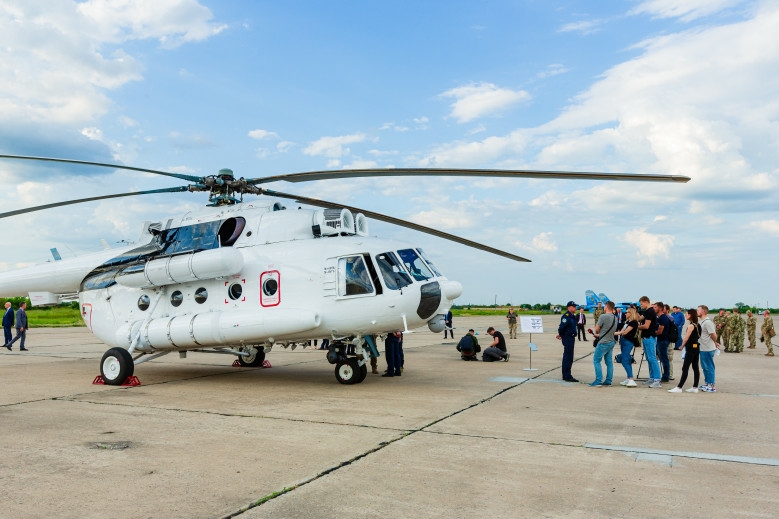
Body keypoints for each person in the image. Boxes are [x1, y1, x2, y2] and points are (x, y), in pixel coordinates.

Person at [668, 308, 701, 393]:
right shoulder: (698, 325)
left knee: (685, 367)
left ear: (691, 315)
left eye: (687, 314)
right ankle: (695, 387)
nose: (686, 315)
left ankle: (679, 387)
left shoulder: (691, 326)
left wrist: (681, 346)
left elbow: (686, 338)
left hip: (690, 348)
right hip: (696, 347)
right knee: (695, 367)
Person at [590, 301, 618, 387]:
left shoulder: (603, 316)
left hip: (603, 342)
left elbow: (597, 328)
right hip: (611, 341)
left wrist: (598, 332)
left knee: (596, 360)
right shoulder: (615, 318)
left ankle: (598, 380)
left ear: (606, 307)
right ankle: (608, 380)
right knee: (609, 362)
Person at [637, 296, 661, 387]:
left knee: (652, 359)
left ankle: (657, 380)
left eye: (642, 303)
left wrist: (636, 327)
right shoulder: (647, 312)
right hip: (646, 337)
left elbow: (646, 326)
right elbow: (639, 319)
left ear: (646, 302)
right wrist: (635, 311)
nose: (641, 305)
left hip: (650, 337)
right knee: (649, 359)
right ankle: (652, 378)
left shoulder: (650, 312)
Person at [614, 305, 639, 387]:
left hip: (628, 342)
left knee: (625, 360)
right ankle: (629, 378)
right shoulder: (627, 322)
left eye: (627, 312)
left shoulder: (633, 322)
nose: (625, 313)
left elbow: (625, 332)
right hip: (623, 340)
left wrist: (621, 332)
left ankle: (631, 379)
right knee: (627, 360)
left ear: (631, 313)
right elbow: (621, 331)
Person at [697, 305, 720, 392]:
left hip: (707, 348)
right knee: (704, 366)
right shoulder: (701, 321)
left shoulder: (707, 322)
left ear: (703, 311)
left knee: (709, 366)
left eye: (698, 310)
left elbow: (713, 334)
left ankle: (711, 385)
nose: (697, 312)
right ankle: (707, 383)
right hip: (703, 347)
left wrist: (715, 342)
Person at [556, 301, 579, 382]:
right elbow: (561, 328)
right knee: (567, 357)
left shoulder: (572, 316)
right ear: (569, 307)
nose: (575, 308)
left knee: (570, 357)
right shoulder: (566, 316)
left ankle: (567, 374)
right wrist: (562, 335)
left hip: (571, 338)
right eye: (574, 306)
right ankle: (567, 375)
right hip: (568, 338)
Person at [654, 302, 671, 382]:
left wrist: (652, 332)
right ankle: (665, 375)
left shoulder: (662, 318)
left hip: (663, 340)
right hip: (661, 340)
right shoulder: (659, 317)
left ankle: (666, 376)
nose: (654, 309)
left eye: (655, 307)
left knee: (664, 358)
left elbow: (660, 331)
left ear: (660, 308)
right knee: (663, 358)